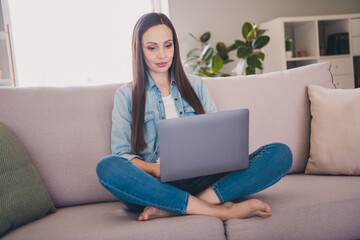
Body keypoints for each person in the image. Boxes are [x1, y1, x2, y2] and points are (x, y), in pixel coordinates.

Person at [96, 12, 293, 221]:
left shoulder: (196, 85)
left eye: (168, 45)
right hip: (154, 185)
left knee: (280, 153)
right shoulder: (126, 95)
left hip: (201, 179)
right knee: (107, 167)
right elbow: (121, 155)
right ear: (139, 50)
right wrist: (155, 169)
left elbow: (218, 138)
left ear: (175, 47)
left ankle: (177, 207)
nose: (162, 55)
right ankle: (220, 210)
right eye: (152, 48)